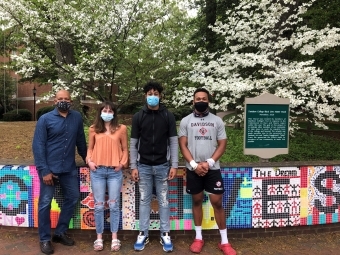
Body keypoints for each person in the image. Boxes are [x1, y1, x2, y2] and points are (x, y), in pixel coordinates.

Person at [178, 88, 236, 255]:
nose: (201, 101)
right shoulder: (185, 121)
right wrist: (194, 165)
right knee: (197, 201)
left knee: (217, 203)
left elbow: (222, 144)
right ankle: (198, 238)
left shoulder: (217, 121)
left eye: (204, 98)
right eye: (198, 98)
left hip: (213, 169)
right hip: (193, 169)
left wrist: (209, 162)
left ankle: (224, 242)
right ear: (193, 101)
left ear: (208, 101)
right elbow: (183, 145)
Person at [32, 89, 87, 255]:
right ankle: (44, 239)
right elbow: (38, 146)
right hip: (50, 170)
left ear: (71, 101)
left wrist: (88, 161)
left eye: (67, 99)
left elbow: (81, 142)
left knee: (73, 197)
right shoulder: (45, 119)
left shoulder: (76, 117)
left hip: (68, 169)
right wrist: (44, 170)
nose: (64, 101)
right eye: (60, 99)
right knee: (45, 204)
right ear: (55, 101)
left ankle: (60, 232)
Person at [130, 81, 178, 252]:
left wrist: (174, 165)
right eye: (149, 93)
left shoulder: (168, 116)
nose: (153, 96)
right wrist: (133, 166)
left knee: (163, 201)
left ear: (160, 96)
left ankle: (165, 233)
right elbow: (134, 143)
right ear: (145, 96)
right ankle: (143, 232)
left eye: (156, 93)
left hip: (163, 166)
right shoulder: (138, 116)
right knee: (144, 200)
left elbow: (173, 142)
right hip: (143, 166)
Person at [86, 101, 128, 252]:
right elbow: (90, 148)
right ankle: (99, 238)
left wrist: (122, 164)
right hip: (97, 171)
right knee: (98, 205)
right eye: (105, 110)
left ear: (114, 113)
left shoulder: (121, 129)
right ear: (100, 112)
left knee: (114, 205)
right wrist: (89, 161)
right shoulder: (93, 129)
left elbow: (125, 149)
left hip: (114, 172)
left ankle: (114, 237)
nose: (107, 112)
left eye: (110, 110)